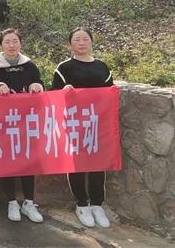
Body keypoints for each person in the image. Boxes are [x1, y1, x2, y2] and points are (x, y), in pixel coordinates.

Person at [0, 28, 45, 224]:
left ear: (20, 43)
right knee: (7, 161)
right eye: (7, 41)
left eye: (15, 41)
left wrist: (37, 86)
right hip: (4, 123)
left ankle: (29, 202)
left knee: (28, 161)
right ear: (1, 44)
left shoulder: (29, 65)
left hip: (27, 122)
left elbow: (39, 82)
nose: (11, 45)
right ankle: (11, 202)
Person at [52, 27, 113, 229]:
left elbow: (110, 94)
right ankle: (81, 204)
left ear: (91, 41)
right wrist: (63, 91)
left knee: (98, 163)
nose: (81, 43)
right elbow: (53, 95)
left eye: (85, 39)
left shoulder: (102, 67)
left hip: (97, 124)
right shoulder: (64, 68)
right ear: (70, 44)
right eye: (77, 39)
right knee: (76, 163)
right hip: (74, 124)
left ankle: (97, 204)